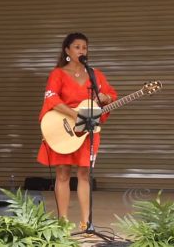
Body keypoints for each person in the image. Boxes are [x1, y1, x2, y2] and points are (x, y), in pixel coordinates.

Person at [37, 33, 117, 230]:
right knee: (63, 174)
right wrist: (74, 114)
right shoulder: (57, 73)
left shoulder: (95, 74)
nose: (82, 51)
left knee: (84, 174)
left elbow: (111, 94)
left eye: (84, 47)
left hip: (87, 131)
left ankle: (86, 223)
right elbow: (52, 99)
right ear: (67, 50)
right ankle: (62, 221)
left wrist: (106, 98)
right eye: (77, 47)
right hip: (64, 128)